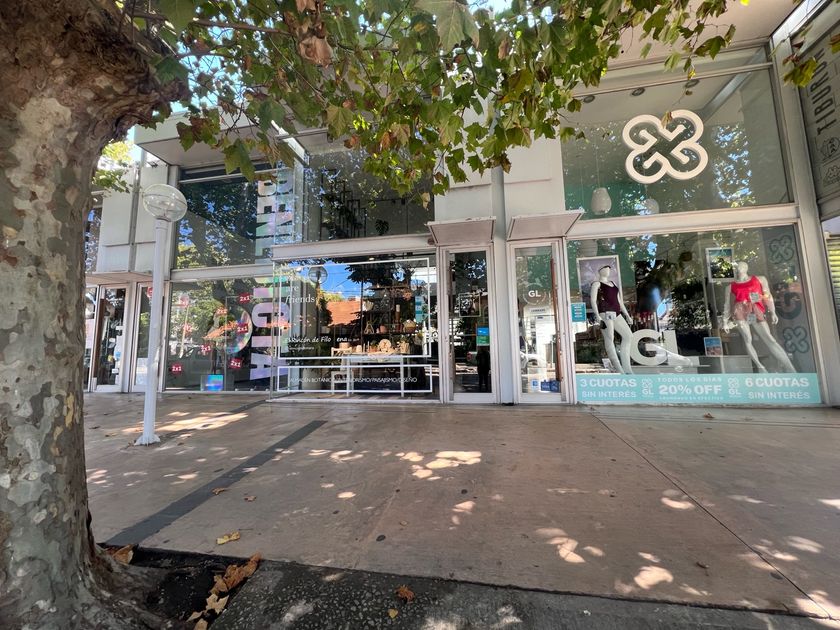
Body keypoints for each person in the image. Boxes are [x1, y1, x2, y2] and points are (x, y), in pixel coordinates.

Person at [722, 261, 796, 373]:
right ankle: (760, 367)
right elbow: (727, 304)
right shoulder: (730, 286)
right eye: (738, 267)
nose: (739, 268)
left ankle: (791, 368)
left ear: (747, 268)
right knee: (748, 339)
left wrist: (773, 311)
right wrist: (725, 321)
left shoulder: (759, 279)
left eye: (742, 266)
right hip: (740, 311)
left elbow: (767, 295)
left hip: (754, 310)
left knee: (770, 339)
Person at [590, 265, 634, 374]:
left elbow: (619, 301)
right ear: (599, 271)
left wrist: (627, 315)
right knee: (610, 338)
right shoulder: (597, 284)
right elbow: (593, 301)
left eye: (609, 268)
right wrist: (597, 315)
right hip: (605, 313)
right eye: (605, 268)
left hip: (617, 314)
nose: (608, 269)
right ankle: (619, 369)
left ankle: (627, 368)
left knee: (628, 336)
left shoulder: (613, 283)